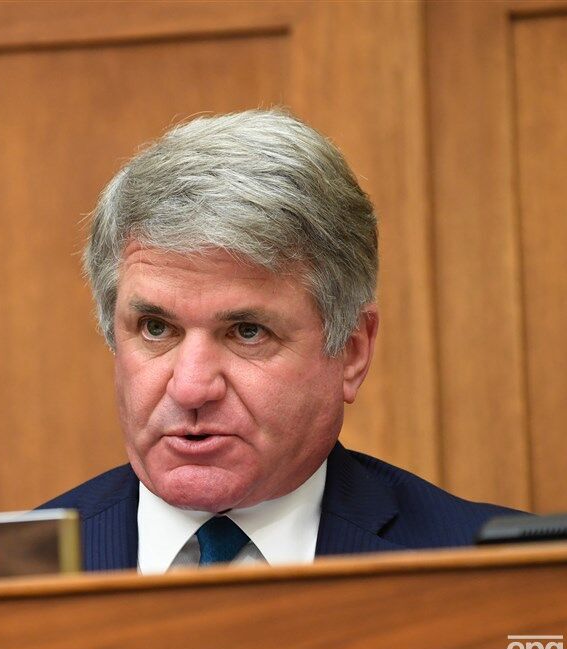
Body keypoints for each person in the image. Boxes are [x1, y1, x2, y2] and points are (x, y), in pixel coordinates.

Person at [39, 109, 517, 574]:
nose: (190, 388)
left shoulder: (501, 578)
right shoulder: (14, 577)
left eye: (247, 332)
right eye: (156, 329)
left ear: (352, 352)